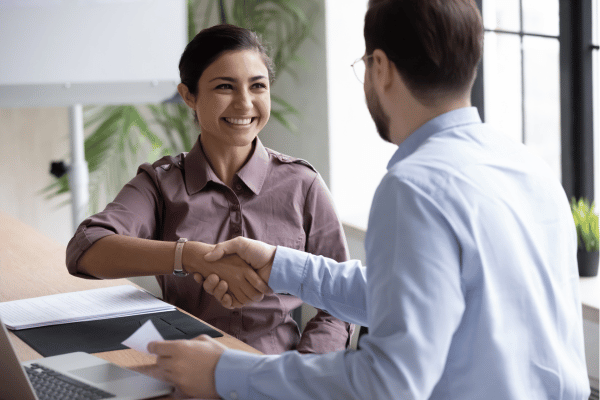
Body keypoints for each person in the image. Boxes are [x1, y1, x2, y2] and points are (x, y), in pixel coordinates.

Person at [147, 0, 591, 399]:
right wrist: (281, 266)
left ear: (381, 67)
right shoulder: (526, 165)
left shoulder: (415, 187)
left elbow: (389, 383)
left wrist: (227, 372)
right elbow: (408, 292)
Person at [65, 24, 354, 355]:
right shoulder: (160, 184)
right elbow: (86, 249)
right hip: (187, 370)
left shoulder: (303, 185)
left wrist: (303, 374)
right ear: (189, 95)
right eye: (224, 87)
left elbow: (340, 303)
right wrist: (191, 256)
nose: (245, 103)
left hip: (277, 372)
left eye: (257, 86)